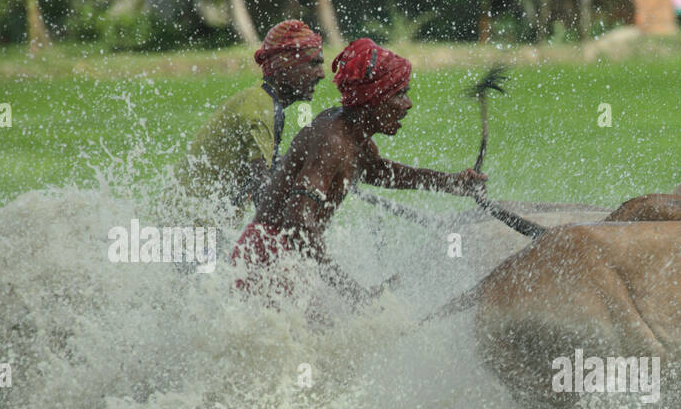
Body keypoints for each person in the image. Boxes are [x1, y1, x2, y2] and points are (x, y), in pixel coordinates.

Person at [230, 37, 487, 308]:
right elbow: (298, 218)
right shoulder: (334, 140)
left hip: (287, 256)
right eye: (399, 94)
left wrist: (451, 183)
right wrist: (352, 291)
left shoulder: (354, 134)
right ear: (373, 100)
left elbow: (380, 171)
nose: (408, 104)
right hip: (267, 257)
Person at [171, 20, 324, 217]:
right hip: (190, 229)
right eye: (313, 63)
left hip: (185, 222)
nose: (321, 74)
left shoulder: (260, 99)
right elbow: (263, 195)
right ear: (284, 65)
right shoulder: (263, 109)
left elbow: (271, 174)